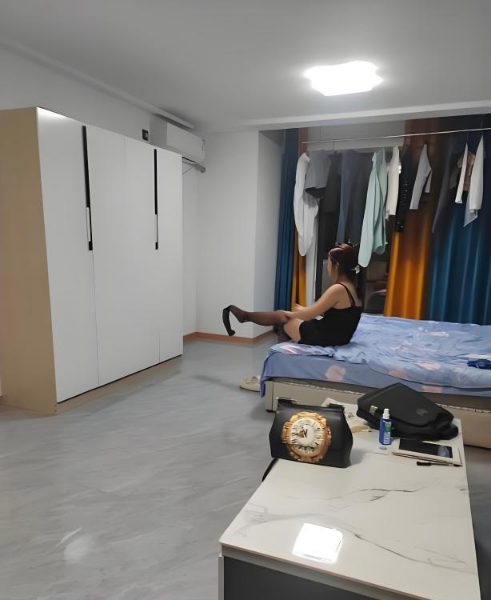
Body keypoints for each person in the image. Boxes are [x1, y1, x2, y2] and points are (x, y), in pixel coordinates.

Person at [222, 243, 363, 347]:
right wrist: (298, 310)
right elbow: (339, 316)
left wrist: (289, 313)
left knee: (282, 319)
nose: (327, 267)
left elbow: (309, 315)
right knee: (288, 316)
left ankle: (246, 317)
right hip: (338, 337)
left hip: (326, 337)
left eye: (328, 263)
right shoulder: (353, 288)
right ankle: (247, 317)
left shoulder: (338, 289)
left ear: (336, 266)